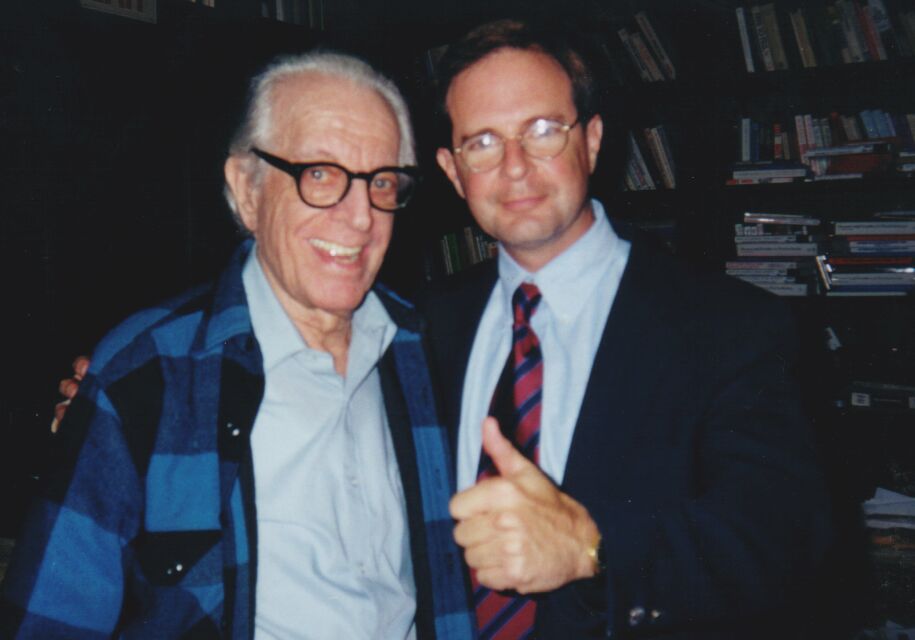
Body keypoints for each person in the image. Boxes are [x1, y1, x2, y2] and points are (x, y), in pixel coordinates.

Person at [0, 52, 475, 639]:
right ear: (247, 190)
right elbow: (48, 620)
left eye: (380, 181)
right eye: (320, 174)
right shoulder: (149, 374)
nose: (359, 218)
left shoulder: (432, 353)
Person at [421, 18, 834, 639]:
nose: (514, 167)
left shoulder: (730, 326)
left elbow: (785, 542)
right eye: (482, 142)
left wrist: (594, 550)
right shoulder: (421, 326)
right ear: (453, 172)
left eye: (542, 131)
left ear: (591, 141)